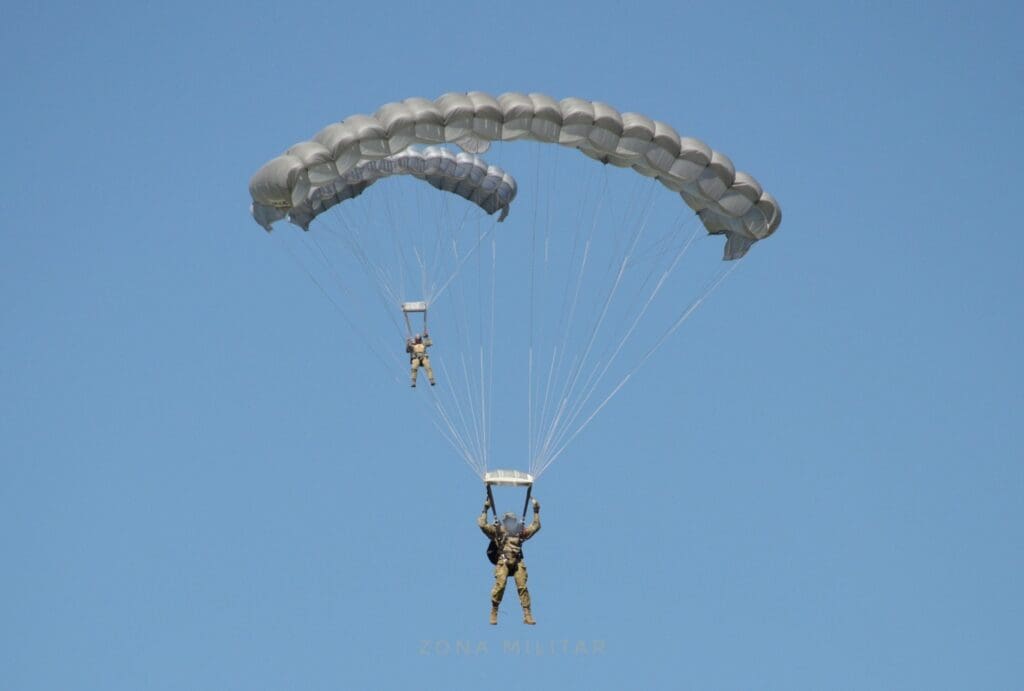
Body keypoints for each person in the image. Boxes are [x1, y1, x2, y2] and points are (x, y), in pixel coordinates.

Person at [478, 497, 540, 625]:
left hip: (517, 561)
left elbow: (536, 526)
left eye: (512, 521)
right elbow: (482, 525)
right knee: (500, 584)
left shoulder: (519, 532)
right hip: (504, 561)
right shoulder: (499, 531)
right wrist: (485, 509)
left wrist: (536, 511)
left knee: (522, 586)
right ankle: (494, 611)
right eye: (508, 521)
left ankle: (527, 614)